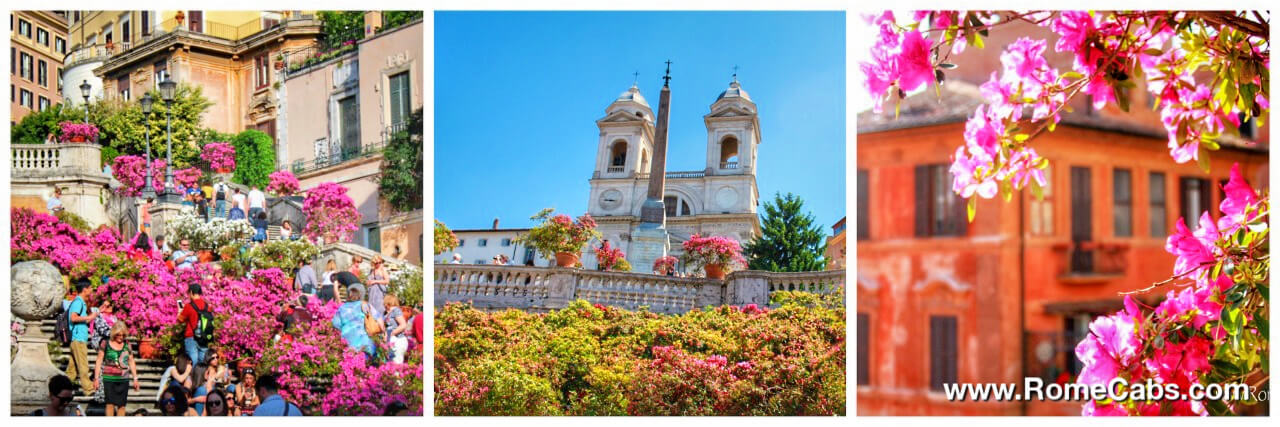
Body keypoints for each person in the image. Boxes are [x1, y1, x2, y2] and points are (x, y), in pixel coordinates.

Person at [94, 322, 140, 416]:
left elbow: (131, 361)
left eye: (123, 335)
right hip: (109, 379)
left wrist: (135, 379)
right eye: (119, 335)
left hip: (123, 379)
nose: (121, 337)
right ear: (114, 333)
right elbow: (99, 361)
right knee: (110, 404)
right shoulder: (105, 343)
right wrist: (96, 378)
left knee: (122, 405)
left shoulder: (127, 344)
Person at [66, 280, 100, 395]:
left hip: (79, 339)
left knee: (72, 370)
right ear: (85, 289)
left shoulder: (81, 303)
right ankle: (89, 390)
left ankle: (63, 387)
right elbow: (73, 318)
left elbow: (86, 319)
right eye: (90, 288)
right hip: (78, 339)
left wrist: (98, 312)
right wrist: (88, 317)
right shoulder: (78, 302)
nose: (91, 291)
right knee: (83, 366)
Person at [331, 284, 375, 358]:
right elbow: (378, 318)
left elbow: (336, 324)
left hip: (348, 341)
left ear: (348, 296)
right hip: (363, 341)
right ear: (360, 295)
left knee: (349, 364)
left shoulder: (342, 308)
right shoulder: (365, 305)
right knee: (366, 364)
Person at [177, 283, 212, 364]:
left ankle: (192, 376)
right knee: (203, 363)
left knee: (192, 362)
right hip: (204, 337)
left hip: (191, 337)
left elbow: (180, 320)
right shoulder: (207, 306)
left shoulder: (189, 306)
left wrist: (179, 311)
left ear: (191, 292)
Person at [383, 294, 409, 363]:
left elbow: (403, 325)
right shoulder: (387, 313)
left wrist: (392, 333)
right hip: (390, 342)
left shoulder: (395, 310)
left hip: (398, 340)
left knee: (396, 365)